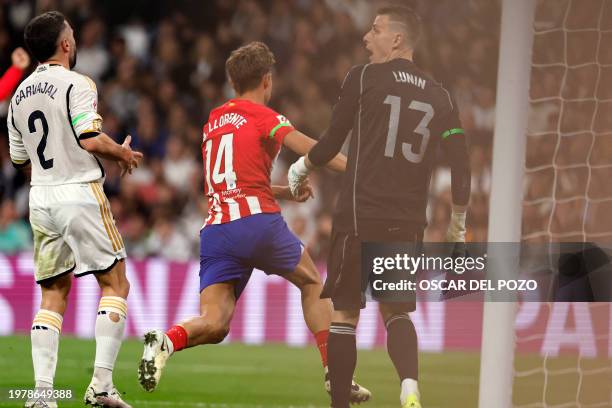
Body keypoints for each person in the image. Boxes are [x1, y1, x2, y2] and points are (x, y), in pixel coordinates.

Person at [137, 41, 371, 404]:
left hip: (217, 229)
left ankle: (166, 341)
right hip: (256, 222)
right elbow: (314, 149)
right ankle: (335, 372)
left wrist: (285, 192)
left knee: (214, 323)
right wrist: (359, 167)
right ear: (267, 80)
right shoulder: (266, 117)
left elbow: (233, 181)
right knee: (312, 282)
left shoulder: (213, 121)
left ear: (232, 82)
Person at [288, 6, 471, 408]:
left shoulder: (364, 76)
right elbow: (461, 163)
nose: (366, 38)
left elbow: (333, 142)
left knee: (345, 315)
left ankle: (339, 404)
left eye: (375, 30)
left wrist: (301, 165)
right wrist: (458, 225)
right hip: (406, 222)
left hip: (358, 214)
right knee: (397, 313)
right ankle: (409, 388)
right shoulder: (440, 95)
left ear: (398, 39)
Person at [8, 11, 142, 408]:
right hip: (79, 192)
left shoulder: (18, 95)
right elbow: (89, 136)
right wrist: (121, 152)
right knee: (116, 284)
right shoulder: (77, 83)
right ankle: (100, 386)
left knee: (53, 294)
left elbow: (20, 159)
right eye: (72, 36)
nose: (75, 41)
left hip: (41, 196)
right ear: (65, 44)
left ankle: (43, 394)